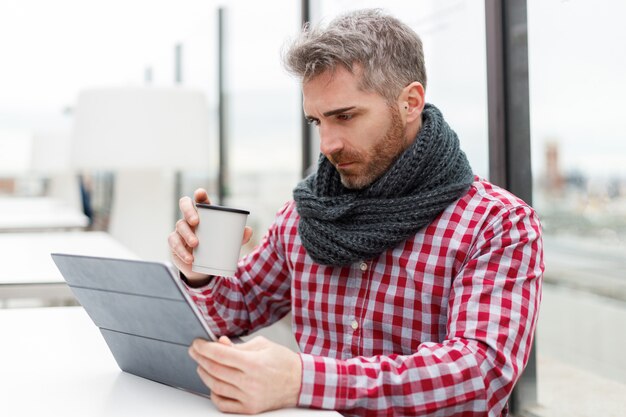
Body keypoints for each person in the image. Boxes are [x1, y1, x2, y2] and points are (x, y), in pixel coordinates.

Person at [168, 9, 543, 417]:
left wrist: (301, 381)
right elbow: (234, 311)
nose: (328, 144)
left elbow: (479, 374)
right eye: (317, 121)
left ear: (410, 102)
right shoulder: (305, 213)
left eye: (345, 117)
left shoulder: (498, 223)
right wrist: (201, 269)